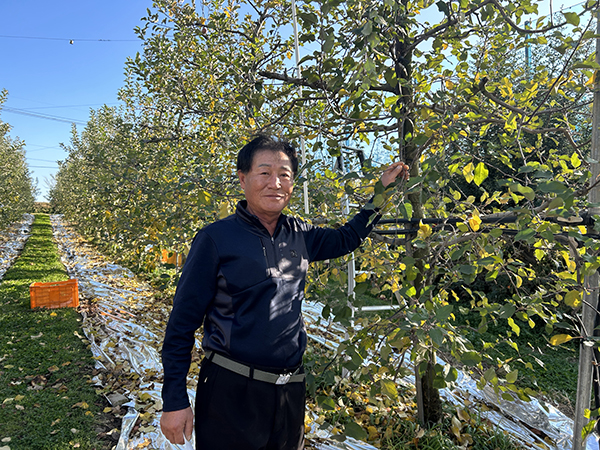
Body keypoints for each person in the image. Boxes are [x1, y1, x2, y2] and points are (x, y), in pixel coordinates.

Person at [160, 135, 409, 449]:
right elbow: (182, 323)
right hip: (232, 391)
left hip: (289, 392)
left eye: (285, 175)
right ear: (243, 178)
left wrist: (381, 194)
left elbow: (347, 238)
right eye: (264, 173)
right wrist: (174, 399)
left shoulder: (300, 234)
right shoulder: (216, 239)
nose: (275, 183)